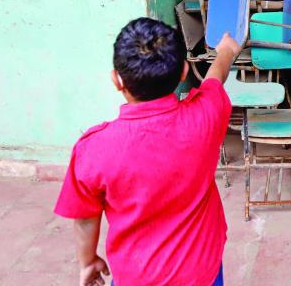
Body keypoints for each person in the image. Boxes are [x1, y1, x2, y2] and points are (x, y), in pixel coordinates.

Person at [54, 18, 242, 286]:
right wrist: (226, 51)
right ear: (183, 72)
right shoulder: (206, 116)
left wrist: (88, 261)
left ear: (117, 80)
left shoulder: (93, 149)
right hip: (202, 272)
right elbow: (215, 79)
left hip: (135, 276)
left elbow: (85, 217)